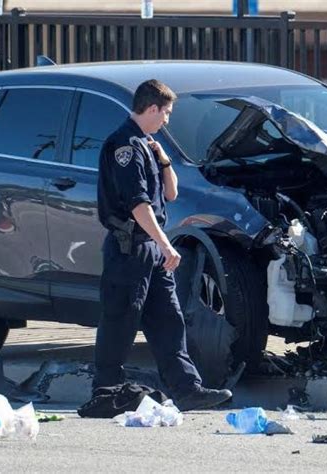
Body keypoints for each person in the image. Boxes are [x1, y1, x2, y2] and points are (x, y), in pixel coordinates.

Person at [94, 79, 232, 411]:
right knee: (120, 321)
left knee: (169, 320)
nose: (167, 120)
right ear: (152, 108)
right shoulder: (123, 145)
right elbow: (138, 206)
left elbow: (170, 194)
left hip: (151, 250)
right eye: (166, 113)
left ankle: (187, 389)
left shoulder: (147, 144)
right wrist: (167, 246)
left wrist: (165, 160)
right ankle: (105, 391)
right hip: (130, 249)